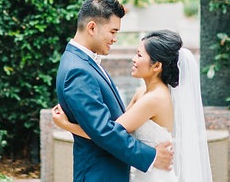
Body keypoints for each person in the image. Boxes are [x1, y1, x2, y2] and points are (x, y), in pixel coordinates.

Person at [54, 28, 213, 182]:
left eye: (139, 55)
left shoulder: (154, 99)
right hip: (143, 172)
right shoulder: (142, 93)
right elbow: (113, 130)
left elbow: (107, 134)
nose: (133, 59)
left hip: (155, 176)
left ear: (156, 66)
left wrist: (67, 125)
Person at [55, 0, 174, 182]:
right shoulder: (77, 71)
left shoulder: (83, 63)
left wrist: (67, 125)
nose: (115, 39)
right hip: (100, 174)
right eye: (113, 31)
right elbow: (104, 131)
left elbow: (112, 125)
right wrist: (151, 156)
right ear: (92, 27)